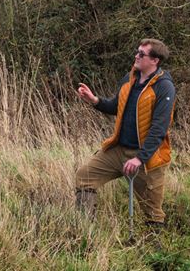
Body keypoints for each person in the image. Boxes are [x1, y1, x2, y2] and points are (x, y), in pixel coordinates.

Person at [75, 38, 176, 229]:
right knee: (84, 177)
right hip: (118, 150)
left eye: (141, 54)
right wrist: (95, 100)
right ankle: (84, 232)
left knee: (152, 212)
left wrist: (139, 159)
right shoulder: (129, 79)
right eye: (137, 52)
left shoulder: (164, 87)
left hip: (148, 156)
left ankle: (156, 253)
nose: (136, 56)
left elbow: (159, 128)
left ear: (155, 60)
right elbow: (116, 106)